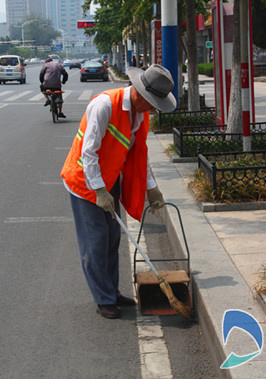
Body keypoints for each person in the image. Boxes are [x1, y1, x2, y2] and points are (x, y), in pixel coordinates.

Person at [60, 64, 177, 319]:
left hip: (109, 178)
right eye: (151, 102)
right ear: (138, 92)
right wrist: (100, 191)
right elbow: (87, 152)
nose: (153, 108)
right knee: (96, 241)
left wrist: (152, 190)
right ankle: (103, 298)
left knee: (113, 237)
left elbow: (139, 154)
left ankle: (111, 292)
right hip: (85, 181)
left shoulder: (140, 114)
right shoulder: (104, 105)